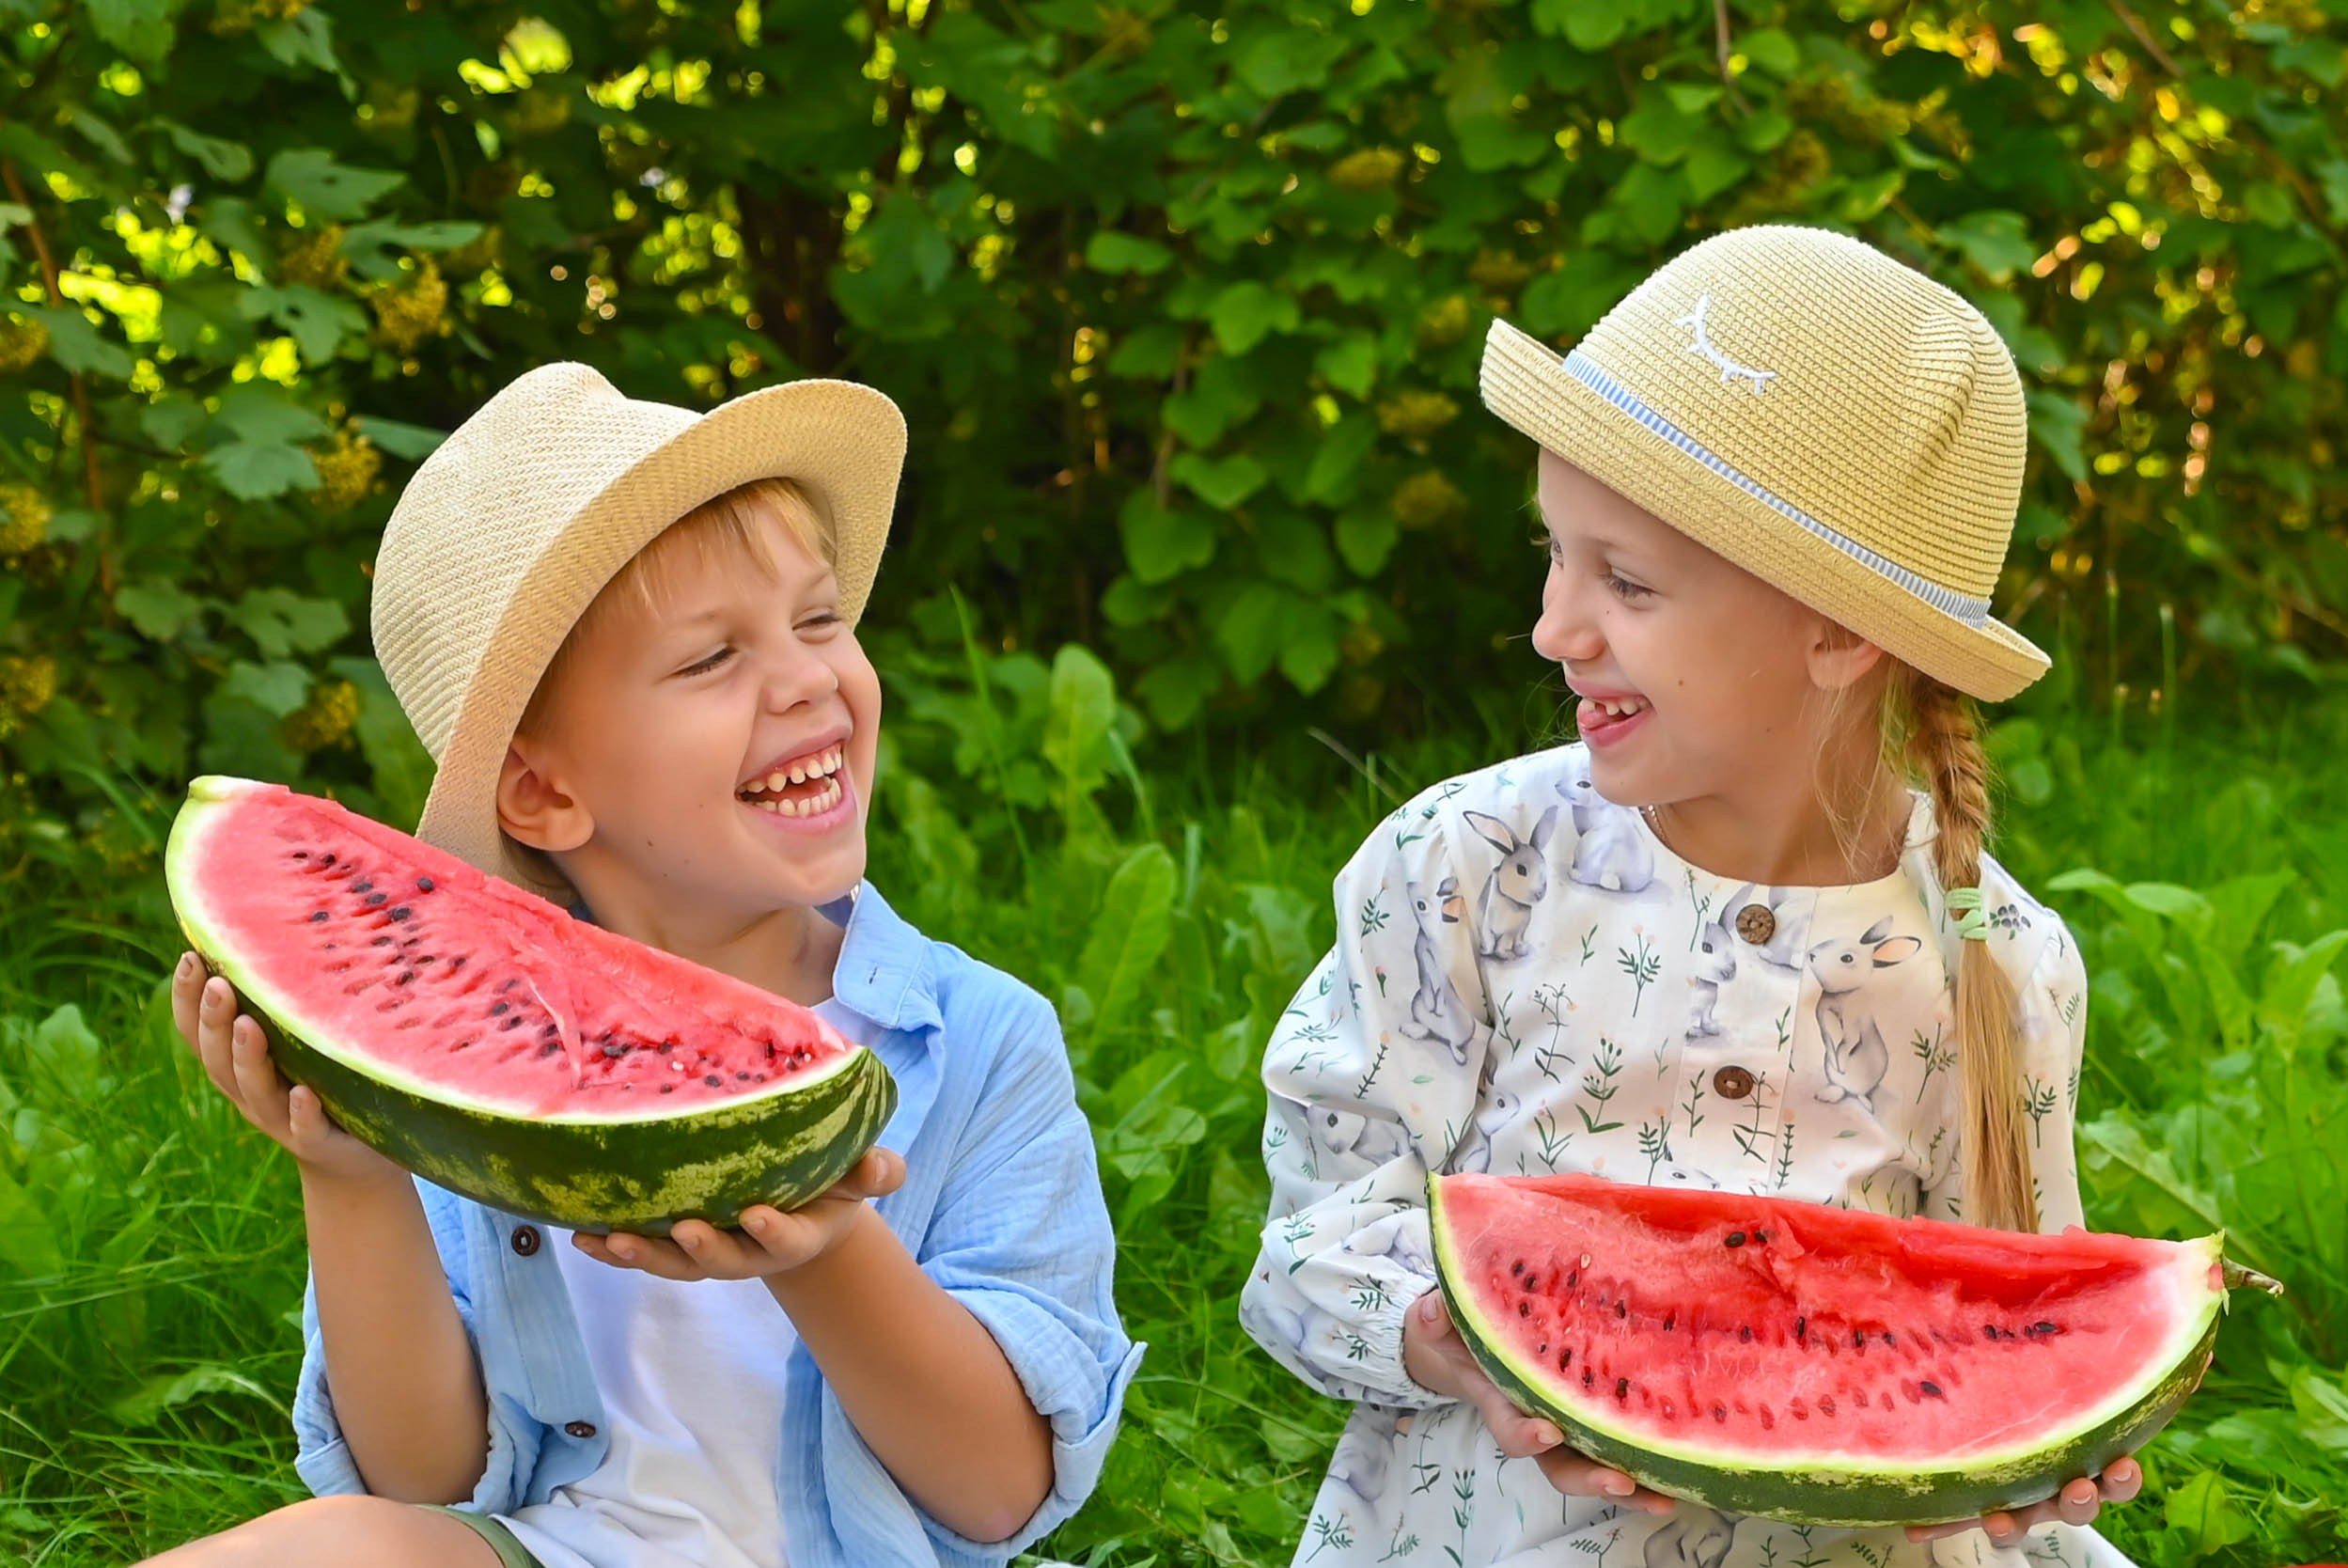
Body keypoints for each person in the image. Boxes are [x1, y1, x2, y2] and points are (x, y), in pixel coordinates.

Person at [1239, 227, 2141, 1568]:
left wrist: (2028, 1445)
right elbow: (1302, 1252)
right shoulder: (1467, 866)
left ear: (1837, 631)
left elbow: (2012, 1314)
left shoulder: (1991, 958)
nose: (1554, 627)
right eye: (1553, 553)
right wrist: (1443, 1333)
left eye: (1626, 582)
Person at [149, 364, 1139, 1568]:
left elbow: (995, 1494)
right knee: (329, 1542)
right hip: (566, 1548)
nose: (807, 678)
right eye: (711, 658)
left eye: (818, 621)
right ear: (542, 790)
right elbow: (425, 1482)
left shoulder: (981, 1042)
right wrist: (353, 1176)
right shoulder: (466, 1065)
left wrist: (828, 1247)